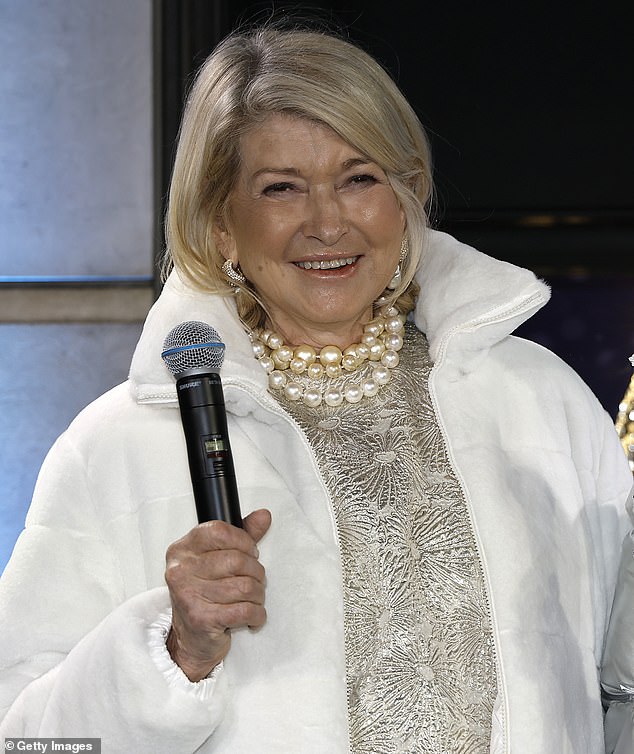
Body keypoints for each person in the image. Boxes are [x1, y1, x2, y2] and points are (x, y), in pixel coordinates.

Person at [0, 21, 632, 754]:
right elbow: (24, 738)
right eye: (281, 189)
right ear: (220, 225)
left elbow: (617, 690)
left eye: (360, 179)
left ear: (407, 197)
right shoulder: (118, 447)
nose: (327, 223)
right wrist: (177, 652)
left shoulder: (537, 399)